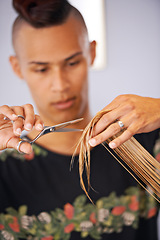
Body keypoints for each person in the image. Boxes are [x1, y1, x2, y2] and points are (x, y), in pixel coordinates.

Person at [0, 0, 159, 239]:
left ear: (91, 53)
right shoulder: (5, 170)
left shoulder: (143, 141)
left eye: (72, 62)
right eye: (41, 69)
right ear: (17, 67)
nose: (60, 85)